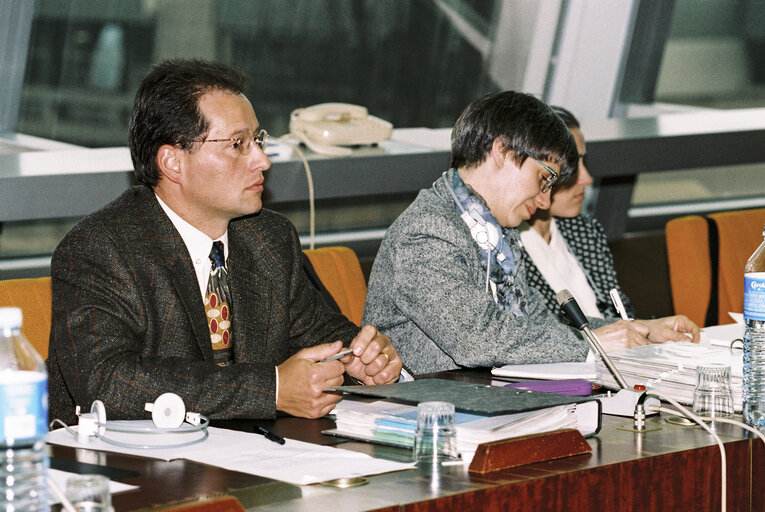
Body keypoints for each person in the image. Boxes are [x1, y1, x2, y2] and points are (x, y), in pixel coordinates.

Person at [47, 59, 402, 425]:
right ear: (172, 163)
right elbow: (108, 381)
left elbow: (320, 335)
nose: (262, 160)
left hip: (252, 457)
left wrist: (362, 358)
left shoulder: (268, 238)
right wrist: (272, 389)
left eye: (258, 141)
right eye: (238, 144)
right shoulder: (100, 248)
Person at [363, 91, 699, 375]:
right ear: (503, 152)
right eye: (544, 179)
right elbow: (478, 340)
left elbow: (542, 323)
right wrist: (594, 345)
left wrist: (638, 330)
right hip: (435, 424)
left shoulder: (499, 233)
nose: (544, 200)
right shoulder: (427, 231)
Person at [520, 106, 634, 321]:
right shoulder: (501, 248)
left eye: (584, 162)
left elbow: (622, 312)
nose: (586, 178)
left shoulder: (585, 230)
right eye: (571, 166)